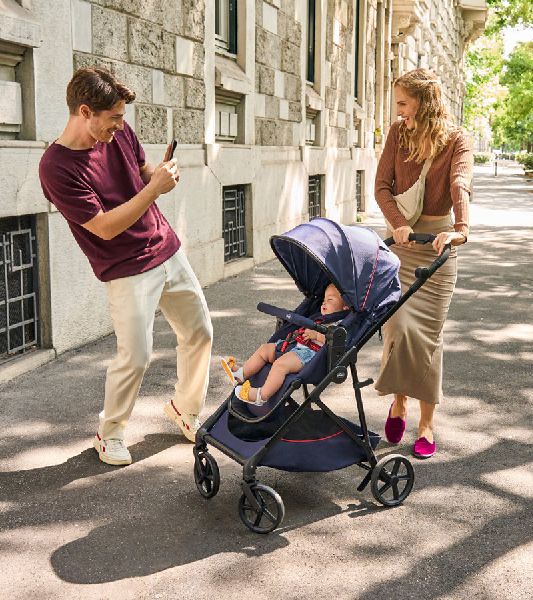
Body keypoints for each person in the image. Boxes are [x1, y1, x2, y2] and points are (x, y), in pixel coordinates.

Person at [39, 68, 213, 466]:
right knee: (135, 356)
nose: (121, 124)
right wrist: (153, 189)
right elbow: (104, 227)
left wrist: (161, 175)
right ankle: (110, 432)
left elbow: (142, 172)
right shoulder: (56, 167)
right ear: (85, 112)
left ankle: (185, 408)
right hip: (124, 267)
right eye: (114, 117)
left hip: (166, 246)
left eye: (122, 117)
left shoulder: (118, 132)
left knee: (199, 332)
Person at [374, 68, 472, 459]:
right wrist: (398, 223)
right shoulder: (398, 134)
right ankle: (399, 401)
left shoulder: (457, 139)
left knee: (429, 339)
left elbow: (460, 183)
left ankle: (427, 423)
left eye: (403, 103)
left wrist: (461, 229)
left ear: (424, 102)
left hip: (438, 247)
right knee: (398, 328)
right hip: (401, 245)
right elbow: (381, 186)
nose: (398, 110)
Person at [221, 283, 349, 405]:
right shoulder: (319, 317)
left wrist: (316, 335)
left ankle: (261, 396)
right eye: (324, 300)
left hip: (308, 355)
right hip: (293, 345)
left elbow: (337, 341)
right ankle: (241, 374)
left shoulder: (339, 324)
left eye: (330, 300)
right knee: (264, 349)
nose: (324, 302)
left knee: (280, 365)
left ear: (345, 307)